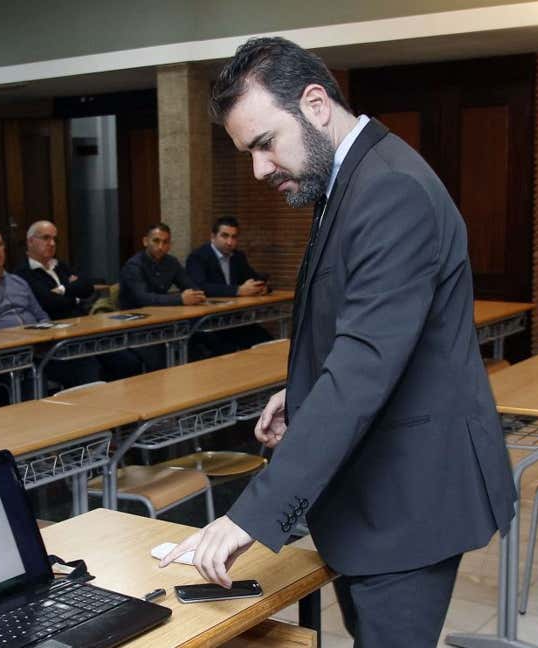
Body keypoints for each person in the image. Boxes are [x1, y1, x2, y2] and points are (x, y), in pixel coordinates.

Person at [160, 37, 516, 648]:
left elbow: (364, 369)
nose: (260, 169)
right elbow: (365, 327)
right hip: (382, 492)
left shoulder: (388, 190)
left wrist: (250, 515)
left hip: (409, 501)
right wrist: (299, 395)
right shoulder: (354, 177)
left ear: (316, 104)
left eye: (265, 144)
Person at [0, 227, 100, 390]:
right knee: (34, 379)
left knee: (86, 363)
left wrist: (43, 337)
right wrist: (21, 338)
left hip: (40, 348)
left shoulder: (18, 282)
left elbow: (41, 315)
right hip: (6, 357)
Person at [14, 220, 141, 379]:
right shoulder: (23, 273)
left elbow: (87, 287)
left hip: (84, 330)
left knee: (128, 361)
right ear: (30, 241)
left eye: (55, 239)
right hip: (56, 340)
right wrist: (75, 296)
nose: (52, 243)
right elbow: (50, 303)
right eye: (46, 238)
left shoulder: (60, 266)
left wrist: (63, 289)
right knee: (91, 371)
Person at [118, 222, 206, 370]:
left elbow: (191, 286)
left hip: (163, 321)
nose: (160, 246)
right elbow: (143, 298)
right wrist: (180, 299)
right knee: (159, 359)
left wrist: (195, 295)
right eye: (156, 241)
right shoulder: (134, 266)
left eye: (165, 242)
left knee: (200, 342)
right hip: (136, 326)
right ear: (145, 241)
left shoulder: (171, 262)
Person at [185, 216, 274, 350]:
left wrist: (262, 288)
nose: (229, 242)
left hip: (234, 320)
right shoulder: (198, 257)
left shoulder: (238, 256)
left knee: (267, 342)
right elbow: (200, 287)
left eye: (234, 237)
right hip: (208, 323)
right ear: (213, 236)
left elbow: (254, 278)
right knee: (227, 349)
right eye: (225, 236)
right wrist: (238, 290)